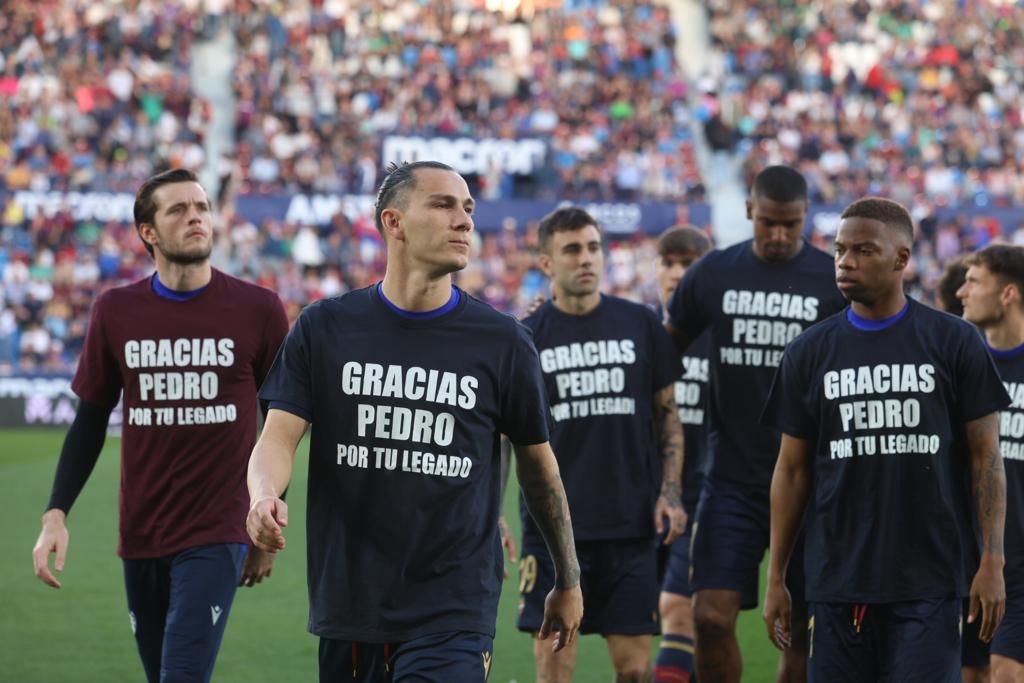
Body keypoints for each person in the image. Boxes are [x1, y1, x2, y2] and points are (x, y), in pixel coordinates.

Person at [245, 160, 584, 682]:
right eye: (443, 204)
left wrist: (567, 578)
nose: (465, 220)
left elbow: (541, 471)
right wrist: (264, 494)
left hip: (454, 605)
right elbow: (277, 438)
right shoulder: (325, 328)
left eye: (468, 208)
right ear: (394, 222)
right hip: (350, 602)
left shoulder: (503, 342)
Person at [31, 168, 289, 683]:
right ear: (148, 232)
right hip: (142, 529)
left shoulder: (258, 309)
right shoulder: (115, 311)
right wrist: (55, 514)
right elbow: (88, 421)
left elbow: (280, 424)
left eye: (202, 207)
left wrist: (266, 528)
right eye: (178, 209)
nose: (196, 217)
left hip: (219, 527)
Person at [762, 197, 1008, 681]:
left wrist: (991, 560)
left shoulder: (954, 341)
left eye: (863, 250)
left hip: (929, 580)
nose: (845, 262)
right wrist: (777, 578)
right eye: (839, 250)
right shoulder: (808, 353)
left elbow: (986, 458)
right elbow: (792, 470)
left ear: (901, 259)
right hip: (835, 581)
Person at [664, 165, 846, 682]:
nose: (780, 235)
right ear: (749, 211)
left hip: (818, 482)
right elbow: (663, 349)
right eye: (769, 222)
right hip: (733, 479)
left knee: (803, 630)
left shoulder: (834, 280)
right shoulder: (713, 273)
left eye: (791, 224)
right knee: (709, 617)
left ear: (806, 217)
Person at [514, 206, 686, 682]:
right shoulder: (524, 338)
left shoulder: (641, 323)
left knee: (633, 671)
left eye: (593, 247)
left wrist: (670, 490)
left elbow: (668, 418)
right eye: (571, 249)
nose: (586, 258)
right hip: (553, 532)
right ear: (547, 263)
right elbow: (498, 440)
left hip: (631, 526)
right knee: (555, 673)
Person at [958, 244, 1024, 683]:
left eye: (974, 281)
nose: (961, 292)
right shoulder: (958, 363)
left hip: (1020, 566)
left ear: (1007, 294)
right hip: (965, 561)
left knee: (1005, 673)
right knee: (971, 674)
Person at [652, 225, 712, 683]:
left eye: (687, 264)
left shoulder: (722, 343)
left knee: (677, 607)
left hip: (704, 502)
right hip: (640, 502)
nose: (676, 274)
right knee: (638, 630)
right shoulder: (639, 336)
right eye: (668, 263)